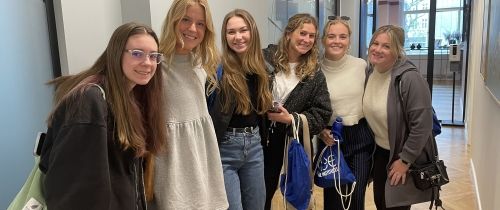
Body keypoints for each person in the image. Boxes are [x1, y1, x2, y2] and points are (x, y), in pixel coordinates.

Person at [38, 22, 166, 210]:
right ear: (116, 54)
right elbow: (72, 187)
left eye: (153, 56)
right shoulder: (90, 100)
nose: (147, 63)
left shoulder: (129, 98)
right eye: (137, 53)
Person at [150, 0, 228, 209]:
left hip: (201, 153)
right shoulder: (155, 64)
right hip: (171, 158)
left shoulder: (204, 62)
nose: (193, 28)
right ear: (173, 20)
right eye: (186, 19)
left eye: (200, 23)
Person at [262, 13, 332, 210]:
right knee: (262, 193)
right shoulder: (264, 59)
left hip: (295, 143)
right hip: (262, 140)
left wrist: (291, 119)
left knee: (297, 197)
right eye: (302, 33)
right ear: (288, 34)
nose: (306, 40)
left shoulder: (314, 73)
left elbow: (322, 113)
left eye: (311, 36)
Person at [363, 25, 436, 209]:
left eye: (386, 46)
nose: (378, 49)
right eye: (375, 43)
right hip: (380, 153)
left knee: (395, 207)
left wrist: (405, 160)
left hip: (401, 156)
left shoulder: (409, 79)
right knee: (381, 203)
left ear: (397, 50)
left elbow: (423, 125)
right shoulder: (372, 72)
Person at [209, 9, 273, 210]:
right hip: (225, 147)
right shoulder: (217, 70)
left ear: (252, 32)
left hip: (254, 145)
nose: (238, 37)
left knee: (257, 205)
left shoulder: (262, 68)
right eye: (231, 32)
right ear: (224, 36)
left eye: (243, 30)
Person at [318, 17, 375, 210]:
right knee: (333, 197)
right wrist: (320, 130)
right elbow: (309, 106)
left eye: (343, 36)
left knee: (355, 198)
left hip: (360, 138)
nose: (337, 41)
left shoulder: (361, 66)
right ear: (323, 39)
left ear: (349, 40)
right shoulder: (314, 69)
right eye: (332, 36)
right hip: (330, 139)